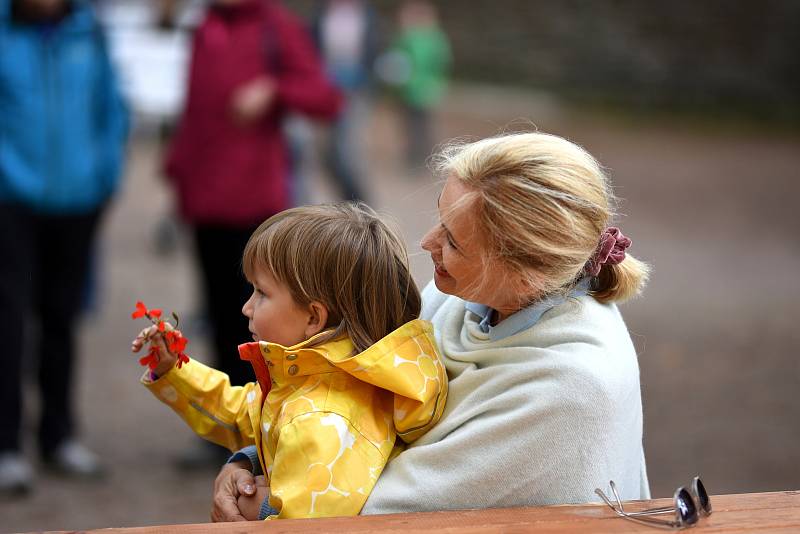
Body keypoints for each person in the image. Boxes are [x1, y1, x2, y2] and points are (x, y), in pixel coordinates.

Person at [212, 131, 651, 519]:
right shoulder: (461, 295)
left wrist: (267, 498)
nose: (427, 243)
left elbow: (378, 509)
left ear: (526, 273)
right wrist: (252, 459)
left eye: (454, 241)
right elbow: (356, 405)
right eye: (441, 218)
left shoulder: (569, 387)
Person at [131, 203, 448, 520]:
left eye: (261, 293)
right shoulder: (320, 379)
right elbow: (244, 414)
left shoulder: (320, 417)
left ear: (313, 316)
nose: (247, 307)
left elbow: (310, 525)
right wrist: (172, 370)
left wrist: (255, 508)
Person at [163, 0, 342, 466]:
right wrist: (178, 176)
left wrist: (275, 88)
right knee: (220, 314)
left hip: (254, 205)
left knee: (260, 321)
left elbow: (325, 96)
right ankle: (224, 428)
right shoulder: (204, 26)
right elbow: (193, 112)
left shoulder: (275, 26)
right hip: (205, 201)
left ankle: (270, 425)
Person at [0, 0, 128, 494]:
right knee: (8, 321)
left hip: (77, 202)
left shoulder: (89, 33)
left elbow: (111, 108)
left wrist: (103, 175)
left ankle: (59, 435)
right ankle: (6, 444)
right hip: (11, 202)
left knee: (62, 318)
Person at [380, 0, 451, 169]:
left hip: (424, 90)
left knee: (422, 125)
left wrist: (435, 84)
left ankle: (426, 157)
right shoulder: (405, 37)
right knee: (410, 124)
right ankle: (414, 156)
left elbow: (440, 64)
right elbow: (395, 60)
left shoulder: (434, 38)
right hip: (406, 90)